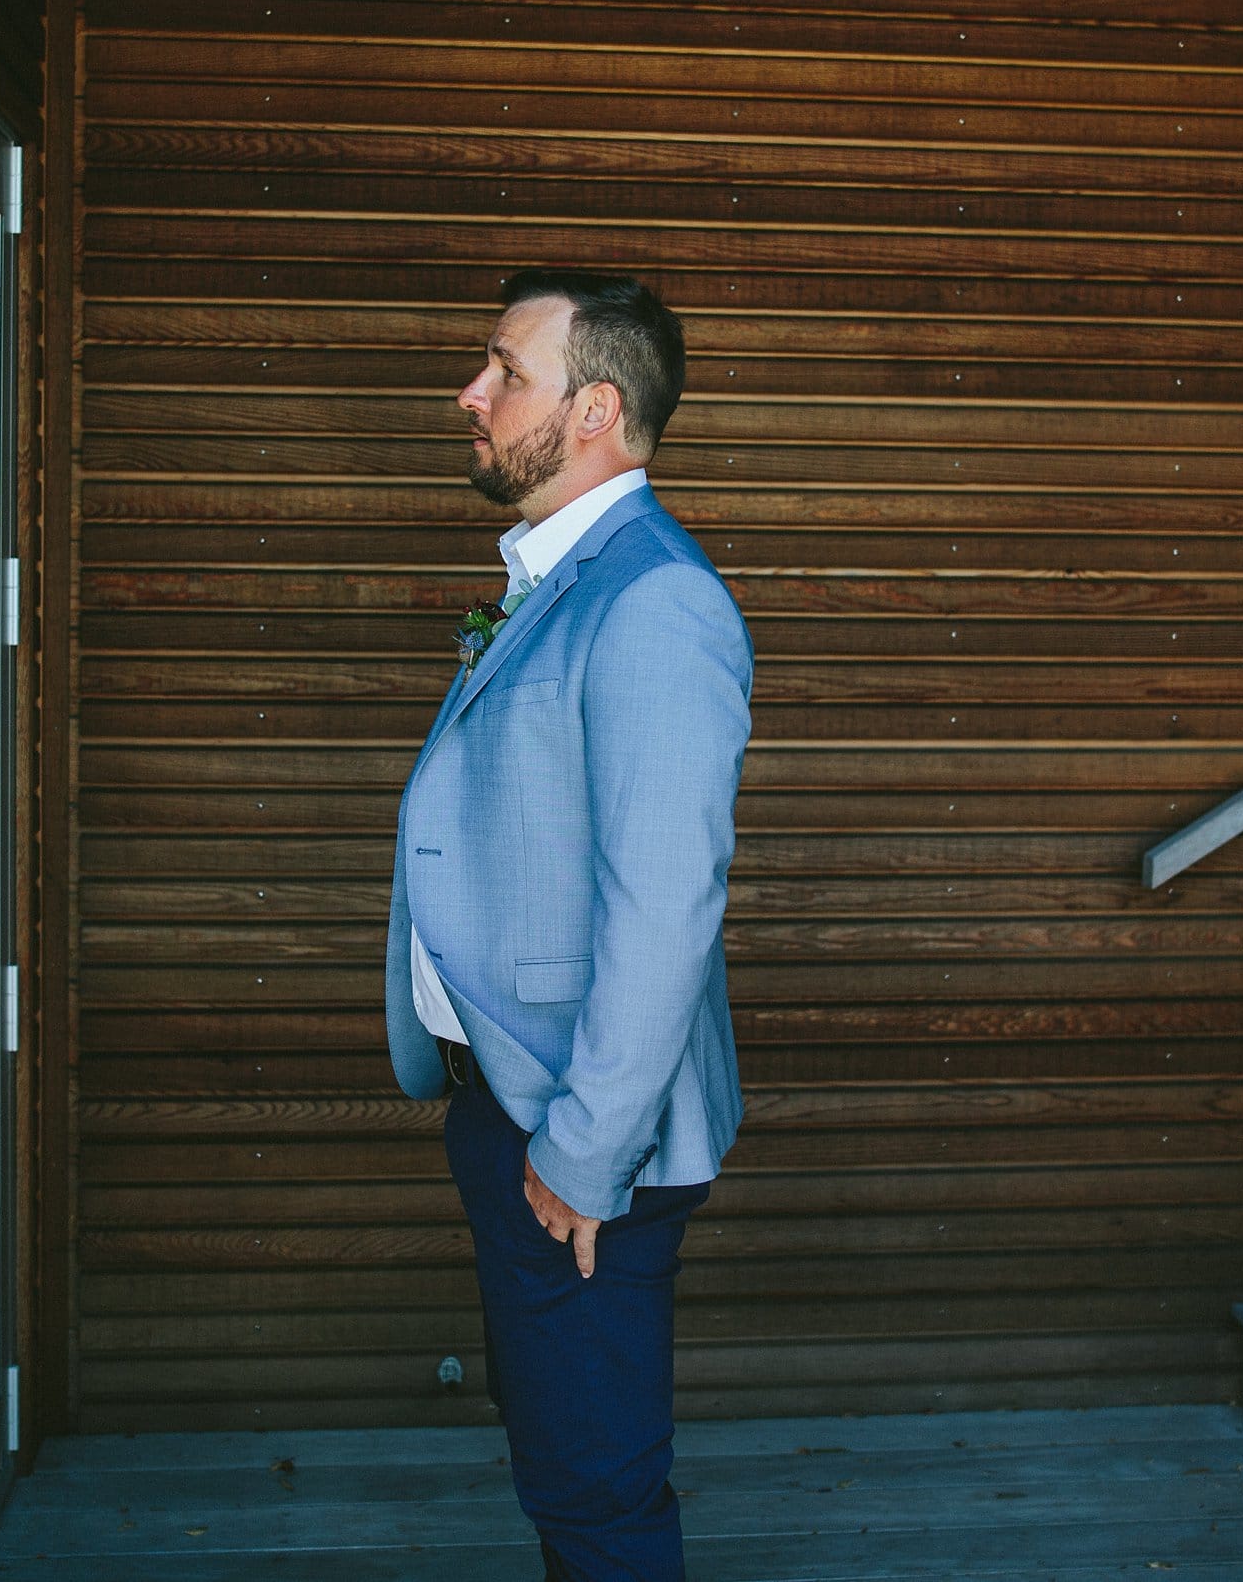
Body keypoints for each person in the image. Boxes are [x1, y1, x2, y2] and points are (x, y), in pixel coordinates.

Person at [384, 269, 753, 1581]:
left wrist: (583, 1155)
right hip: (513, 1105)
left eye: (503, 372)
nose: (469, 395)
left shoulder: (651, 601)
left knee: (594, 1496)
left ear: (594, 408)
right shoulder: (559, 577)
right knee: (561, 1466)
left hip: (582, 1139)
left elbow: (665, 906)